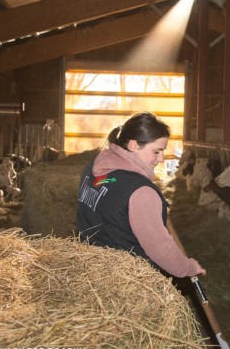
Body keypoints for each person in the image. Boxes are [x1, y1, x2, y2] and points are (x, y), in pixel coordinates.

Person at [77, 111, 206, 278]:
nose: (161, 159)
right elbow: (160, 249)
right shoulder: (141, 192)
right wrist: (188, 268)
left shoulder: (92, 168)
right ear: (133, 145)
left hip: (91, 270)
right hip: (128, 280)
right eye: (157, 151)